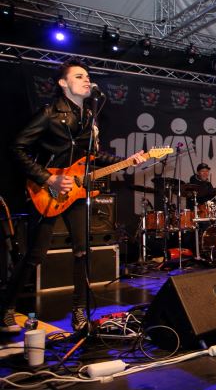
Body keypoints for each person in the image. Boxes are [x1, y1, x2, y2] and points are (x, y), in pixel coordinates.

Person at [1, 59, 146, 333]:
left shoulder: (88, 117)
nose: (86, 80)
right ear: (63, 83)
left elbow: (92, 157)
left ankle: (79, 311)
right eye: (79, 76)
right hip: (46, 191)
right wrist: (48, 178)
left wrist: (127, 160)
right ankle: (6, 307)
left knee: (82, 252)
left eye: (87, 76)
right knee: (34, 254)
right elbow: (16, 147)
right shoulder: (49, 113)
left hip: (77, 192)